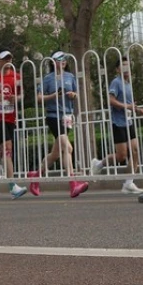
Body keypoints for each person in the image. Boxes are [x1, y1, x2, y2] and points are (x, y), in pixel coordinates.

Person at [38, 52, 89, 198]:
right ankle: (73, 183)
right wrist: (54, 96)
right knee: (68, 147)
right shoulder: (48, 79)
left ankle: (36, 175)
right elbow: (39, 97)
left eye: (64, 59)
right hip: (53, 115)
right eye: (59, 59)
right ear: (53, 61)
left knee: (56, 153)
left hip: (67, 116)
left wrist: (73, 95)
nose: (62, 61)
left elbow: (76, 93)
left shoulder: (70, 76)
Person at [92, 60, 143, 195]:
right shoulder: (116, 82)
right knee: (121, 156)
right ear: (117, 69)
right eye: (123, 66)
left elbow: (128, 104)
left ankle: (128, 183)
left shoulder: (128, 84)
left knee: (135, 151)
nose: (127, 68)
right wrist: (128, 107)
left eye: (128, 65)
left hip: (129, 122)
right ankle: (99, 164)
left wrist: (137, 109)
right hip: (118, 123)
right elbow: (111, 100)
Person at [0, 50, 26, 199]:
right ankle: (12, 185)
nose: (8, 61)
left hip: (10, 117)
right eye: (5, 59)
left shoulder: (17, 76)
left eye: (10, 58)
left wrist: (16, 98)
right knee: (7, 148)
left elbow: (22, 94)